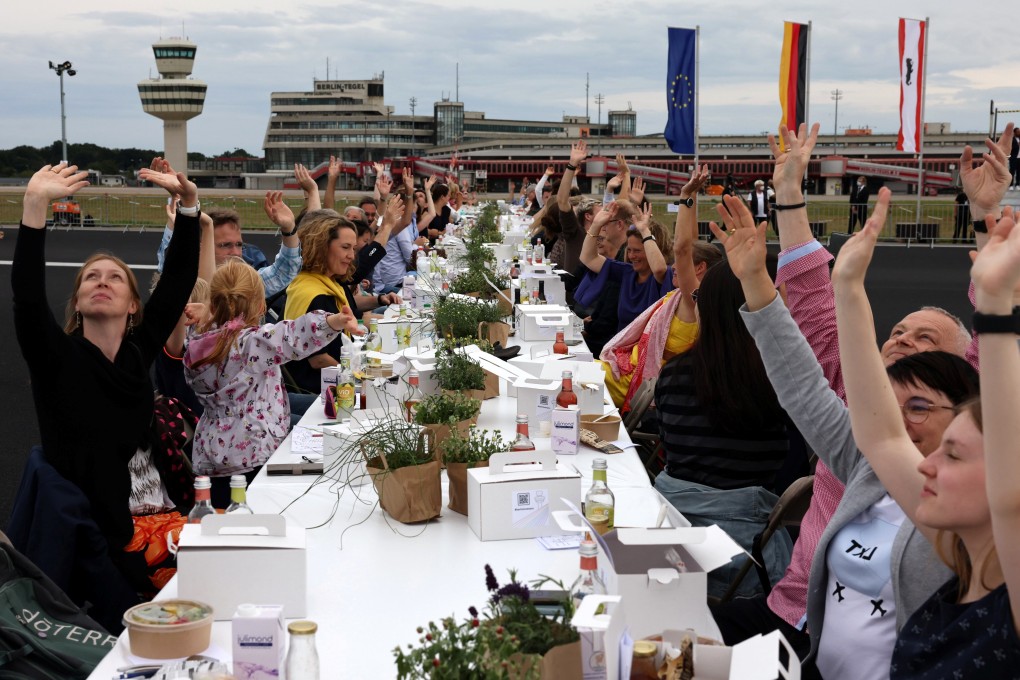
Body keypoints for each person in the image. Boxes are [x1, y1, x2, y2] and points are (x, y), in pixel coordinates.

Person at [714, 189, 980, 678]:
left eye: (919, 405)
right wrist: (761, 276)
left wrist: (987, 233)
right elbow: (803, 382)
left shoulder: (972, 502)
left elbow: (1001, 384)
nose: (904, 341)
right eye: (897, 333)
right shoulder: (865, 454)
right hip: (804, 644)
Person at [833, 202, 1020, 678]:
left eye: (953, 455)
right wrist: (848, 289)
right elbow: (879, 434)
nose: (927, 465)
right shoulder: (956, 543)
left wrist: (996, 309)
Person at [13, 159, 200, 592]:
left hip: (171, 517)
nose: (103, 282)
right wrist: (34, 205)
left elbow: (176, 281)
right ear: (76, 302)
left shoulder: (136, 353)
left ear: (133, 305)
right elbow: (26, 297)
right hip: (119, 540)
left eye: (116, 278)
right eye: (91, 278)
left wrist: (188, 203)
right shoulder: (56, 359)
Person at [184, 258, 359, 507]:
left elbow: (219, 332)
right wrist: (332, 321)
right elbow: (292, 335)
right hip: (255, 451)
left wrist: (210, 316)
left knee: (227, 523)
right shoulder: (251, 344)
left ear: (213, 303)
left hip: (212, 455)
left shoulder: (195, 344)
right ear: (259, 305)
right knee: (260, 513)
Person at [599, 166, 720, 411]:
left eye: (682, 265)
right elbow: (691, 244)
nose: (675, 266)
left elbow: (684, 248)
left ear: (699, 269)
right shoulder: (693, 298)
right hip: (625, 369)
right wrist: (693, 195)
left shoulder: (694, 301)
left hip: (628, 379)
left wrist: (686, 195)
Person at [283, 212, 375, 395]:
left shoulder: (331, 284)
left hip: (339, 374)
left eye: (353, 249)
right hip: (318, 390)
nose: (351, 256)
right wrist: (358, 379)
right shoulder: (314, 294)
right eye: (345, 247)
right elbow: (319, 360)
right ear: (321, 248)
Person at [579, 202, 672, 332]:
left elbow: (658, 269)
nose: (631, 256)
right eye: (629, 250)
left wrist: (645, 231)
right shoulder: (627, 272)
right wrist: (595, 225)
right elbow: (588, 258)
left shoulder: (665, 275)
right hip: (621, 348)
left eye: (637, 251)